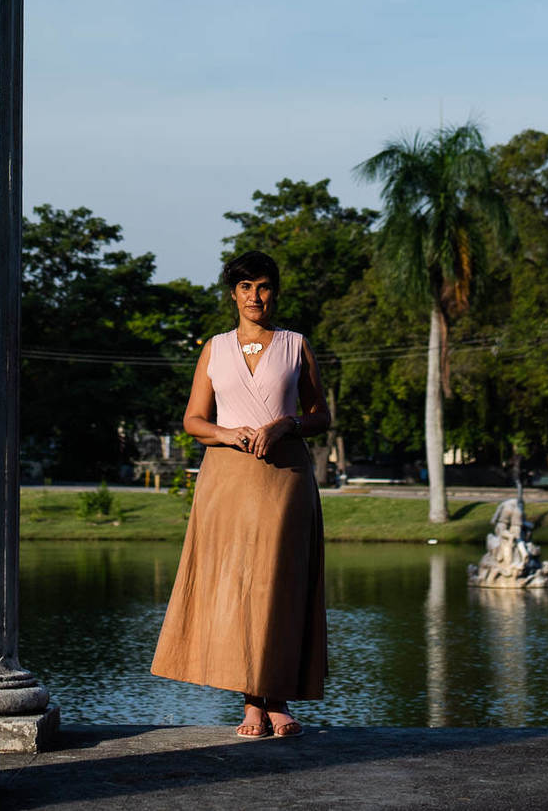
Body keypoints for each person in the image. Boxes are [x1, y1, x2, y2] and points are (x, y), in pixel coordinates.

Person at [150, 249, 330, 737]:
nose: (256, 296)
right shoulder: (215, 347)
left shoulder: (295, 344)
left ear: (276, 293)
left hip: (282, 481)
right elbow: (192, 420)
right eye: (246, 287)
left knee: (278, 587)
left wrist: (285, 424)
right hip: (226, 481)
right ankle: (252, 705)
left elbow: (321, 415)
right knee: (236, 589)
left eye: (265, 286)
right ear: (233, 293)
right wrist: (228, 433)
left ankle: (280, 698)